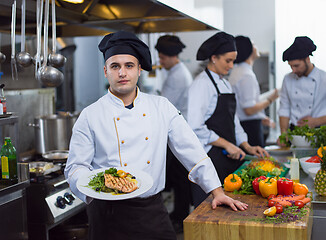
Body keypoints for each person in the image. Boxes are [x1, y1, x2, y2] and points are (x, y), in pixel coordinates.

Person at [64, 31, 248, 240]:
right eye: (115, 66)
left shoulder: (161, 107)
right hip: (107, 213)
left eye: (129, 65)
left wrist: (216, 191)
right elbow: (75, 167)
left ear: (139, 70)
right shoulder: (90, 114)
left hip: (150, 209)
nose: (122, 73)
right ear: (105, 71)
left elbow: (191, 149)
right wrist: (94, 188)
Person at [187, 31, 269, 207]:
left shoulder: (224, 83)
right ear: (214, 58)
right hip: (209, 160)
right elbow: (195, 127)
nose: (231, 66)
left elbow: (234, 120)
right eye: (228, 61)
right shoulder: (201, 85)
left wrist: (246, 145)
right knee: (208, 213)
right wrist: (226, 144)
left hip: (228, 159)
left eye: (233, 60)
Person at [155, 35, 193, 233]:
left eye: (162, 57)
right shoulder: (177, 72)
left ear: (171, 56)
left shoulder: (177, 75)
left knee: (180, 179)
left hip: (177, 134)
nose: (160, 61)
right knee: (180, 179)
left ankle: (180, 217)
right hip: (178, 132)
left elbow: (163, 106)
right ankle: (180, 215)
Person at [229, 36, 279, 147]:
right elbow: (249, 110)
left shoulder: (237, 71)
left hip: (245, 125)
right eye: (254, 44)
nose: (257, 47)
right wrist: (271, 99)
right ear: (249, 50)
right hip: (250, 129)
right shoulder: (246, 75)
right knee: (256, 162)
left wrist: (260, 118)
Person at [278, 36, 326, 143]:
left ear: (307, 59)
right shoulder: (287, 79)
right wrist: (283, 133)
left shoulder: (324, 78)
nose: (293, 70)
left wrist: (316, 121)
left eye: (296, 66)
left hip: (320, 132)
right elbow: (284, 108)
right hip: (295, 133)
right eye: (291, 66)